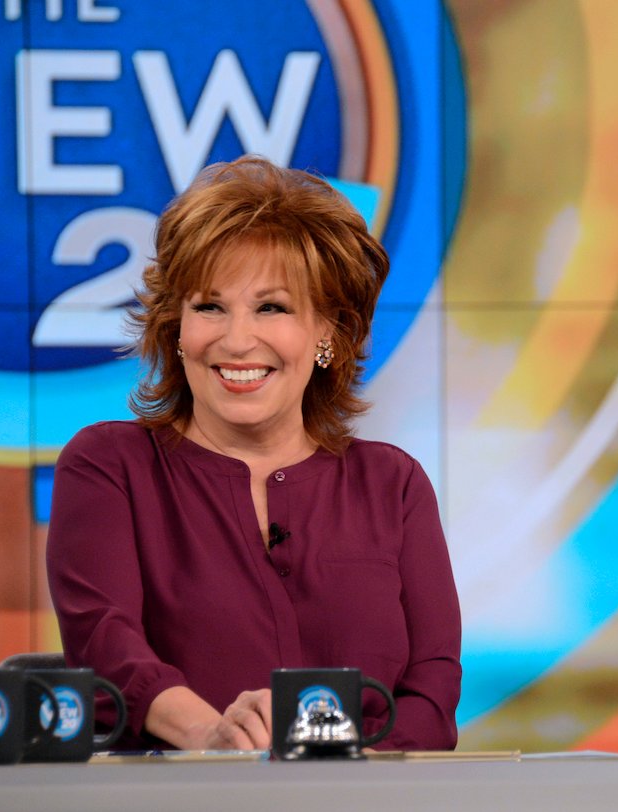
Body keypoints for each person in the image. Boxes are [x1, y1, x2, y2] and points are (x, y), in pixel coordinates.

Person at [46, 155, 462, 752]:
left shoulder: (392, 483)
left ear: (328, 332)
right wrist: (213, 737)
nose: (237, 340)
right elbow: (106, 646)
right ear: (176, 328)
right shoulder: (109, 465)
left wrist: (348, 777)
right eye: (209, 306)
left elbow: (432, 688)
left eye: (272, 307)